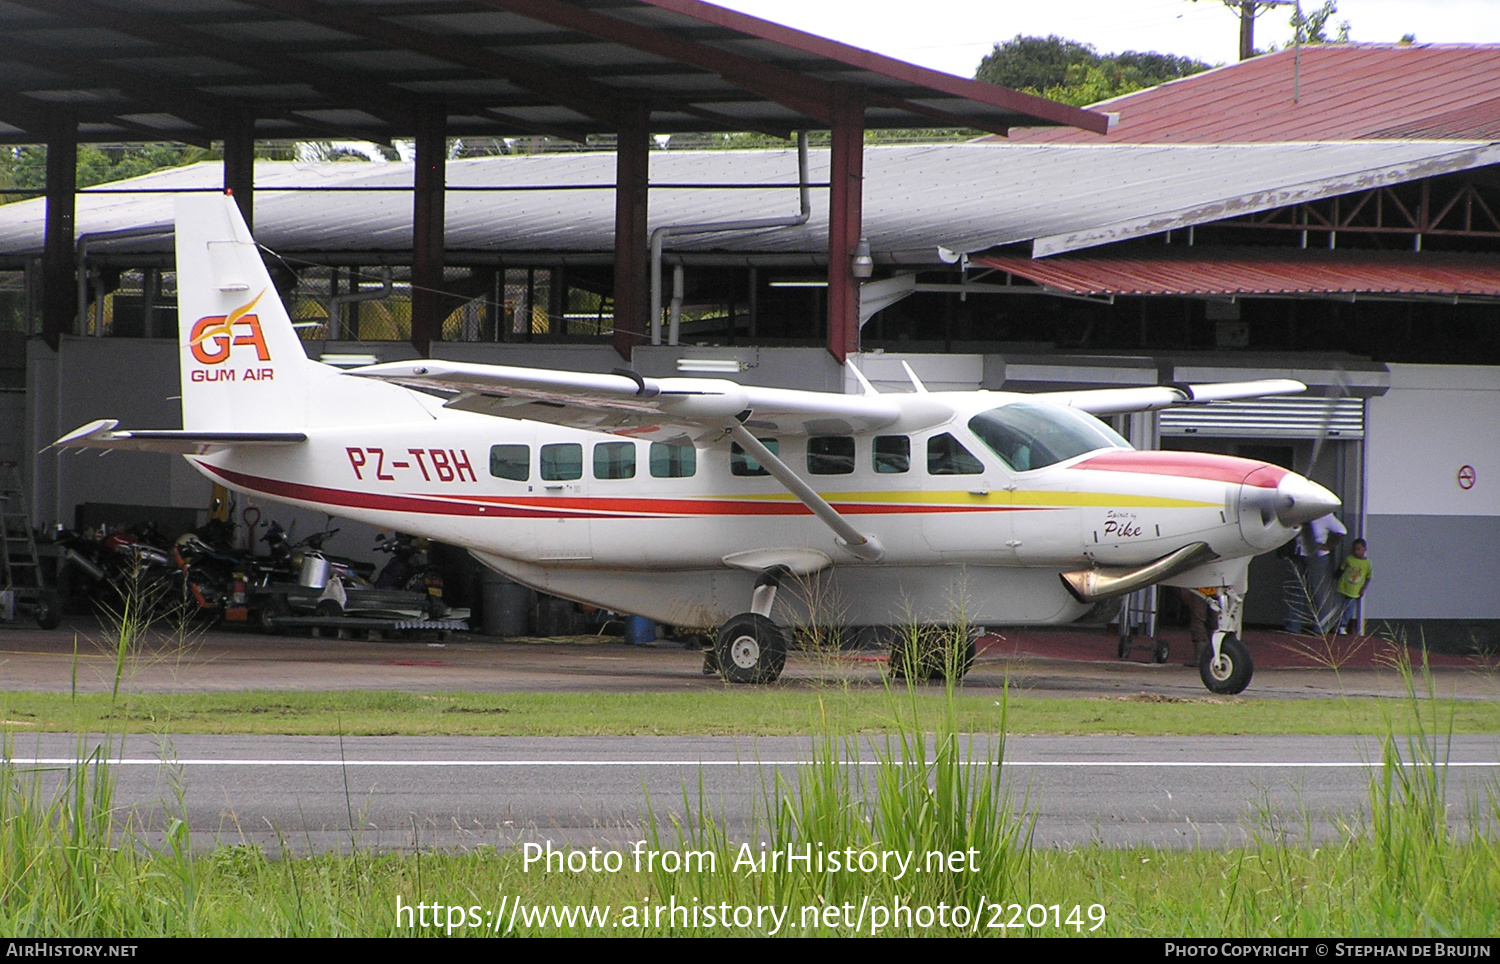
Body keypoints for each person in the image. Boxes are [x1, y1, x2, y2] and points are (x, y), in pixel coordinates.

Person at [1284, 512, 1346, 634]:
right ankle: (1292, 627)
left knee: (1318, 590)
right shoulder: (1299, 515)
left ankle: (1321, 628)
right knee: (1296, 590)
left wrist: (1328, 546)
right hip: (1298, 554)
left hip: (1317, 556)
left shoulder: (1325, 516)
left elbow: (1341, 531)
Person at [1332, 538, 1372, 635]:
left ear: (1364, 549)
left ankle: (1342, 625)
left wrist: (1363, 589)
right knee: (1338, 607)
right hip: (1343, 587)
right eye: (1355, 549)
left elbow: (1368, 577)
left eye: (1359, 549)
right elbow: (1342, 569)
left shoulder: (1367, 564)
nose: (1356, 552)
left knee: (1349, 608)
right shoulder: (1349, 559)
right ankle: (1333, 624)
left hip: (1355, 591)